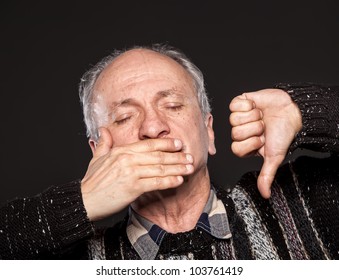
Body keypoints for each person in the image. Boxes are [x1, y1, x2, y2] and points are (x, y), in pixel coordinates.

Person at [0, 44, 338, 259]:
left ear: (208, 132)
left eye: (173, 105)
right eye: (124, 117)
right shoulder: (78, 261)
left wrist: (305, 112)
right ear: (99, 154)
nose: (152, 127)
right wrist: (80, 202)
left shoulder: (301, 206)